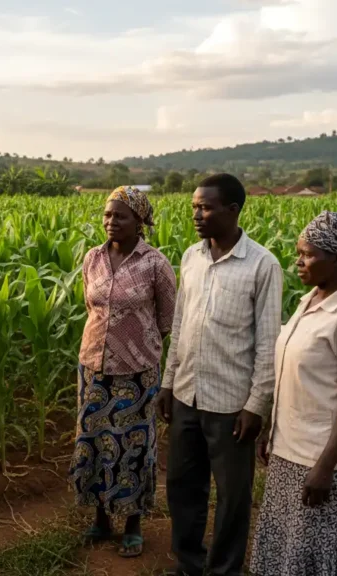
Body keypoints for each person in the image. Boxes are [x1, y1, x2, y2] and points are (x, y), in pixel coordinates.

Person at [157, 173, 283, 576]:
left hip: (232, 404)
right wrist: (166, 382)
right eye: (195, 206)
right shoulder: (192, 257)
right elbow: (180, 325)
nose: (197, 214)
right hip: (186, 394)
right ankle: (189, 563)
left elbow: (267, 344)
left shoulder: (263, 265)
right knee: (182, 485)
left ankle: (225, 569)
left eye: (206, 207)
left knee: (232, 495)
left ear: (233, 210)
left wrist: (256, 406)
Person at [250, 211, 337, 576]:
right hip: (289, 452)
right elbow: (293, 380)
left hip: (327, 462)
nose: (298, 260)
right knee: (288, 551)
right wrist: (272, 432)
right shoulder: (308, 302)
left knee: (322, 557)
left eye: (308, 254)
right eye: (298, 252)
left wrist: (325, 467)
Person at [70, 186, 177, 558]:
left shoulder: (155, 264)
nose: (111, 222)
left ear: (139, 221)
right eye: (107, 215)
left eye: (121, 216)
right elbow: (92, 306)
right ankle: (102, 518)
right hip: (93, 366)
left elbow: (167, 321)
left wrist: (133, 344)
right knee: (97, 439)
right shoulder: (92, 258)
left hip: (136, 371)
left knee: (132, 445)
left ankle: (133, 524)